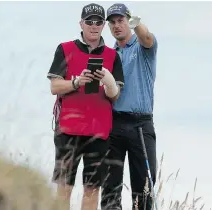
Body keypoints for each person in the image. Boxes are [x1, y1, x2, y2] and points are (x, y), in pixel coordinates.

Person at [47, 3, 125, 209]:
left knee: (92, 189)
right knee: (64, 186)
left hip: (98, 132)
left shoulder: (112, 55)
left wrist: (108, 81)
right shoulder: (65, 49)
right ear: (81, 23)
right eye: (89, 21)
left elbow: (115, 96)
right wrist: (76, 82)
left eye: (98, 22)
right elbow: (54, 86)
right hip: (68, 129)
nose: (93, 26)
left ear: (103, 25)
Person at [100, 3, 159, 210]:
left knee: (143, 188)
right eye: (112, 22)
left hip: (140, 125)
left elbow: (147, 38)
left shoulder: (143, 48)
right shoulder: (109, 55)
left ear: (128, 21)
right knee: (109, 188)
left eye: (121, 21)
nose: (117, 26)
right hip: (114, 123)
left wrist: (137, 23)